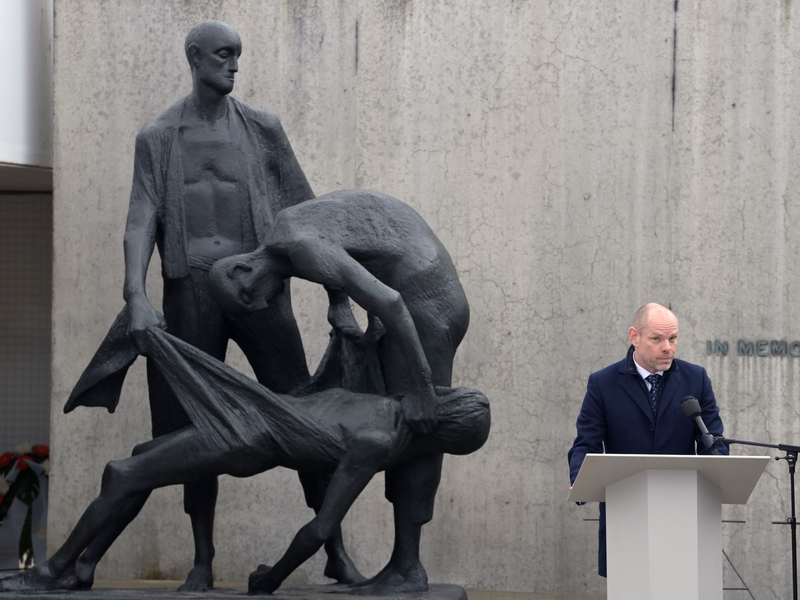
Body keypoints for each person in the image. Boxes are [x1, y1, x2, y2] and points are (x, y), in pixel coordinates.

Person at [69, 20, 360, 591]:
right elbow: (140, 219)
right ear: (194, 57)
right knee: (188, 430)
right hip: (190, 288)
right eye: (224, 55)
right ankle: (201, 561)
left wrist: (338, 298)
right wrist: (137, 297)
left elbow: (310, 216)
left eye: (238, 56)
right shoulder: (157, 137)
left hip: (257, 285)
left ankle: (333, 548)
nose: (234, 65)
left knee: (305, 416)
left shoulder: (262, 129)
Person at [0, 328, 491, 595]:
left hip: (246, 436)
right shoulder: (386, 401)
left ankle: (58, 569)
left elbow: (321, 528)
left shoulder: (378, 442)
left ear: (440, 421)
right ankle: (82, 569)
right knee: (139, 458)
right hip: (254, 410)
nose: (435, 394)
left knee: (124, 473)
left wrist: (271, 578)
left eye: (444, 399)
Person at [208, 189, 471, 593]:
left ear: (244, 272)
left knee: (418, 426)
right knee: (402, 423)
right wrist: (339, 303)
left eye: (251, 302)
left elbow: (391, 301)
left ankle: (408, 568)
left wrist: (421, 388)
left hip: (425, 302)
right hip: (419, 290)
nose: (262, 307)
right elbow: (349, 242)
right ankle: (402, 564)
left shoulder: (299, 246)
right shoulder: (289, 231)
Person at [567, 302, 728, 577]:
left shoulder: (696, 379)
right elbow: (586, 443)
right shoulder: (602, 383)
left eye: (673, 338)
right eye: (657, 338)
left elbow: (714, 441)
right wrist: (580, 480)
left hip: (683, 513)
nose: (668, 347)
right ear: (634, 336)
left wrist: (720, 469)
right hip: (626, 513)